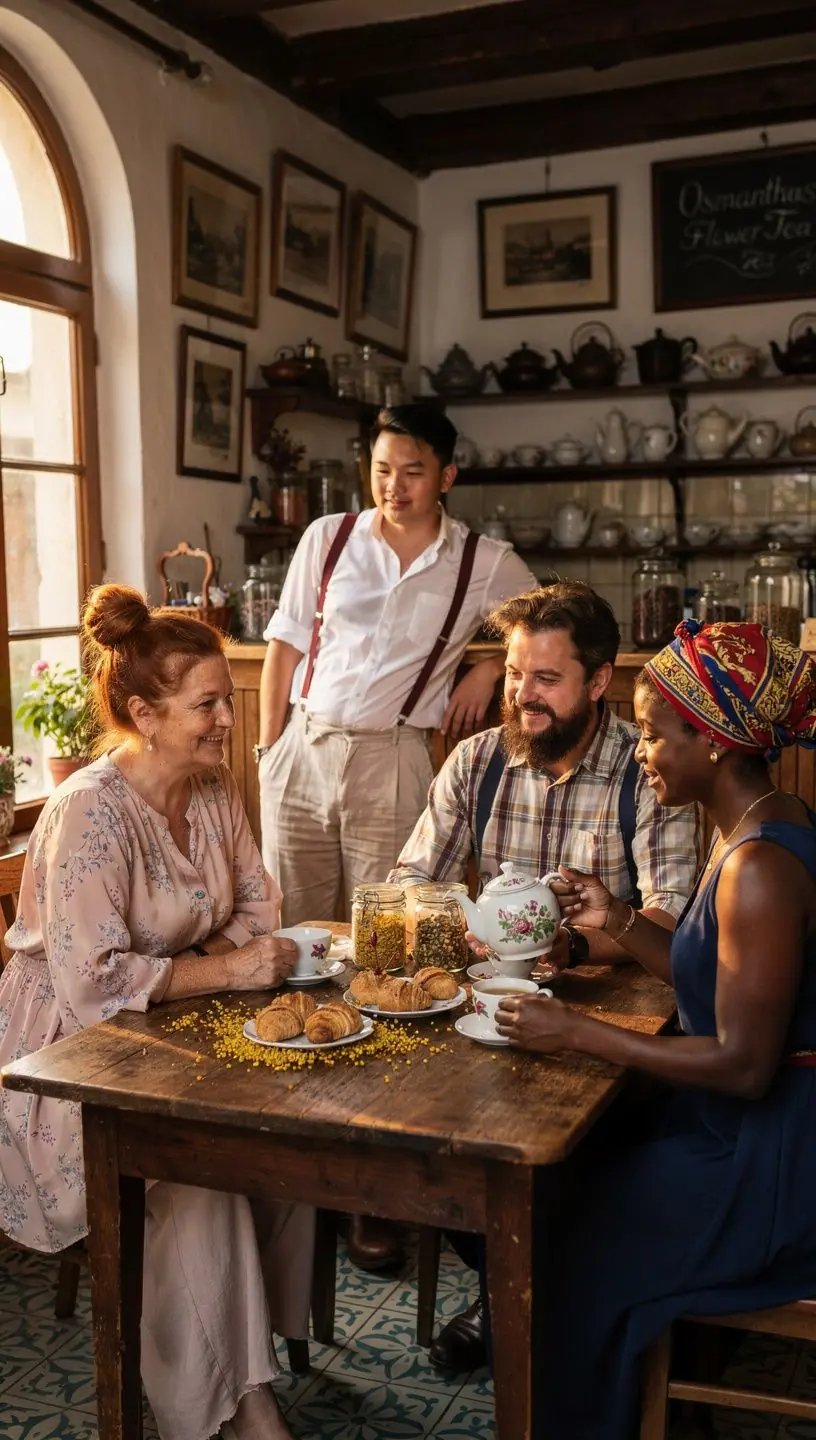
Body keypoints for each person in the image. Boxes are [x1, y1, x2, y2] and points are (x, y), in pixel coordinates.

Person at [0, 585, 313, 1440]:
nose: (227, 720)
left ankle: (257, 1351)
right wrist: (225, 969)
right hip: (66, 1065)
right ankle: (234, 1407)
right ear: (144, 714)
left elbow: (260, 907)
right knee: (198, 1168)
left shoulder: (211, 789)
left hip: (174, 1033)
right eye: (207, 704)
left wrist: (201, 970)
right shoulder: (88, 811)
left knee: (291, 1122)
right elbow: (93, 984)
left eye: (225, 701)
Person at [494, 619, 816, 1440]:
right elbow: (713, 976)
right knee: (568, 1178)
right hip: (745, 1128)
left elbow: (744, 1064)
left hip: (772, 1163)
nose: (641, 751)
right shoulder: (756, 821)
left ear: (712, 742)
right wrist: (618, 918)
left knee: (564, 1236)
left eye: (653, 733)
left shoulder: (760, 868)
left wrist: (576, 1031)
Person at [391, 582, 702, 1370]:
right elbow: (409, 882)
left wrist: (577, 946)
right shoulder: (478, 761)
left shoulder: (647, 767)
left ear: (597, 682)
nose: (522, 695)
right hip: (489, 1019)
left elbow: (673, 919)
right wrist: (453, 927)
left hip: (612, 1029)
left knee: (576, 1164)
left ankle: (542, 1305)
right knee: (438, 1150)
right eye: (514, 674)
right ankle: (515, 1289)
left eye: (546, 679)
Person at [258, 402, 536, 1272]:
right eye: (381, 469)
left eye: (412, 471)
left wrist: (488, 663)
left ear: (447, 476)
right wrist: (268, 753)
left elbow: (554, 619)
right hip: (304, 750)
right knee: (296, 954)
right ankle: (294, 1175)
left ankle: (373, 1194)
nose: (394, 486)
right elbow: (282, 648)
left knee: (389, 961)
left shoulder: (484, 560)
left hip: (395, 759)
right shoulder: (329, 538)